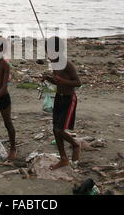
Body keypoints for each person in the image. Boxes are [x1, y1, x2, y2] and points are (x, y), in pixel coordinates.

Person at [42, 36, 81, 170]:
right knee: (55, 129)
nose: (48, 53)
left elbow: (78, 83)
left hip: (69, 99)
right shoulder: (54, 63)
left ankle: (75, 145)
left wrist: (62, 81)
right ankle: (63, 158)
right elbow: (57, 81)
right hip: (59, 97)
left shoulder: (66, 64)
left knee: (59, 129)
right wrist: (48, 78)